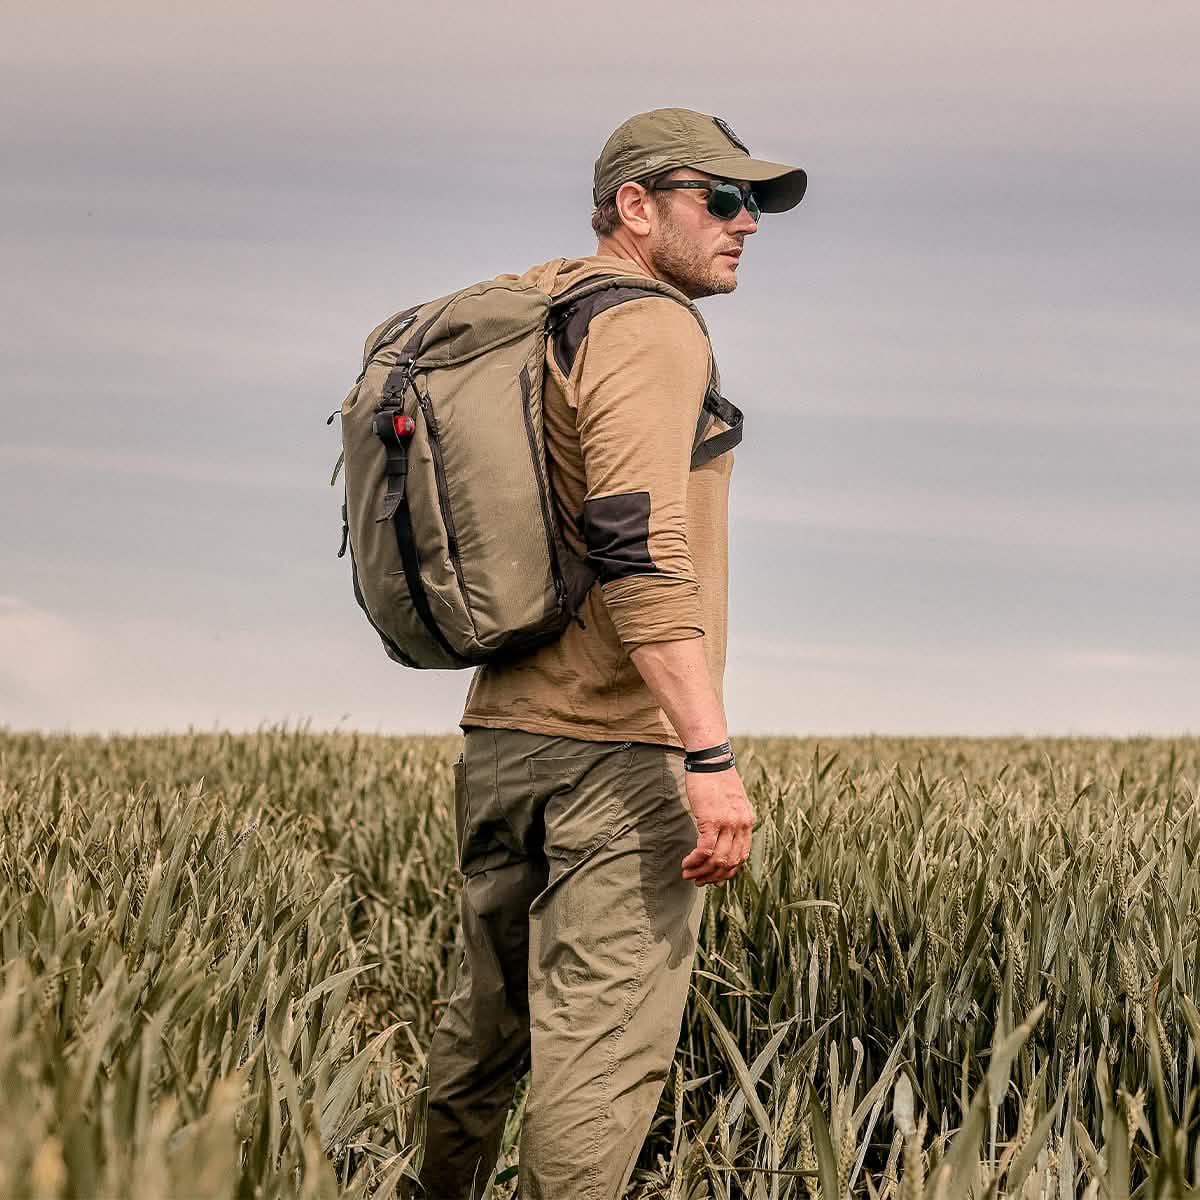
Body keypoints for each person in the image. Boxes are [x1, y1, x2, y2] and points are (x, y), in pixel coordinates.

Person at [416, 108, 807, 1200]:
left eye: (754, 205)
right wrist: (706, 753)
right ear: (635, 208)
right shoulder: (649, 326)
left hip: (502, 736)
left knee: (480, 1039)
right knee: (598, 1063)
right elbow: (636, 539)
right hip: (615, 755)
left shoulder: (534, 308)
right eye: (721, 201)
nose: (747, 226)